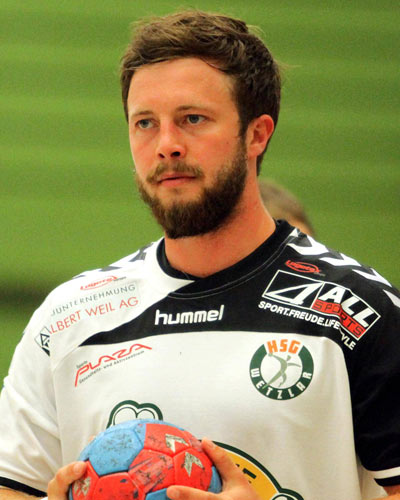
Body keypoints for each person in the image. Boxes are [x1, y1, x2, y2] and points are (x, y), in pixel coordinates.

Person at [0, 10, 399, 500]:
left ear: (257, 134)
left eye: (192, 119)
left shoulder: (358, 312)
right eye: (145, 123)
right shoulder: (68, 319)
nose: (166, 145)